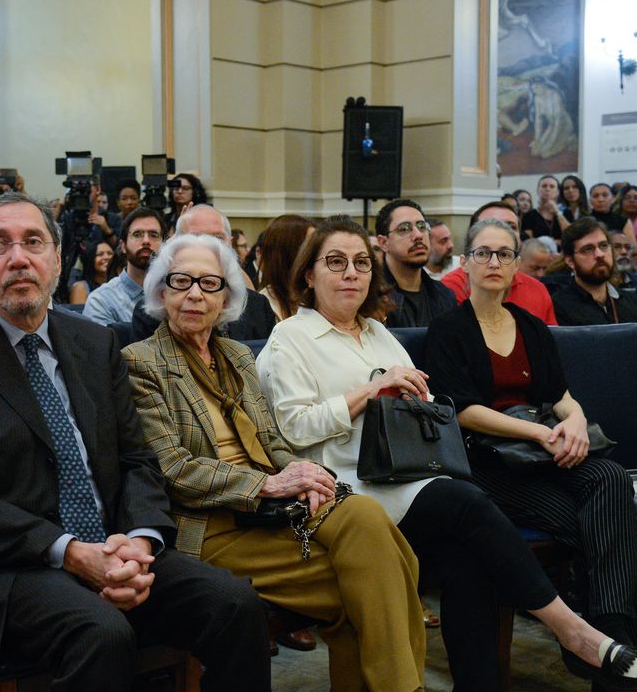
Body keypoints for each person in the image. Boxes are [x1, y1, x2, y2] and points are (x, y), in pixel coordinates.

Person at [257, 216, 637, 692]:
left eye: (360, 263)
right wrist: (370, 392)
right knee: (466, 501)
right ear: (309, 274)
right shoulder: (291, 338)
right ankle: (574, 631)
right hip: (347, 486)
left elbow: (429, 406)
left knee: (468, 559)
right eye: (335, 262)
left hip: (407, 471)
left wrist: (405, 397)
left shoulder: (375, 332)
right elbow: (293, 429)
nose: (351, 272)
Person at [0, 193, 270, 692]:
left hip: (116, 546)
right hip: (5, 571)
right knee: (102, 633)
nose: (18, 258)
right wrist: (71, 552)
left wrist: (139, 544)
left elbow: (138, 460)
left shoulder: (94, 344)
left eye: (33, 242)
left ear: (56, 258)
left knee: (235, 604)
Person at [124, 232, 425, 692]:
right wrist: (266, 485)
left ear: (226, 296)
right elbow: (173, 468)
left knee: (366, 525)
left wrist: (302, 473)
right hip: (212, 524)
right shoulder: (140, 362)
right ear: (161, 291)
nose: (194, 294)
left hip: (275, 512)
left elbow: (272, 441)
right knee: (378, 580)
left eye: (209, 283)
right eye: (181, 281)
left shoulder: (237, 354)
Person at [424, 218, 637, 689]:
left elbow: (560, 394)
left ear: (518, 265)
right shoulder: (448, 329)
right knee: (593, 520)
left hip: (542, 451)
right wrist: (538, 434)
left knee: (611, 478)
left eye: (504, 254)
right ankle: (608, 649)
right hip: (487, 462)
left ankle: (609, 635)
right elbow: (463, 411)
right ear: (466, 263)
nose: (493, 262)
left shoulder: (532, 326)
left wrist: (574, 420)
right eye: (483, 253)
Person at [130, 206, 277, 344]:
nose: (208, 246)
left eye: (217, 238)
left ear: (230, 244)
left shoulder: (258, 307)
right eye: (196, 237)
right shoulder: (150, 312)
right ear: (174, 243)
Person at [442, 201, 558, 324]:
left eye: (511, 227)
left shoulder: (537, 290)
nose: (501, 233)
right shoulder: (448, 290)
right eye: (490, 225)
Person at [551, 218, 637, 325]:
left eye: (604, 246)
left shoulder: (635, 302)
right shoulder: (558, 306)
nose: (600, 254)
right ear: (570, 261)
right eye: (588, 249)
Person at [375, 200, 456, 327]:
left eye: (422, 227)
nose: (418, 235)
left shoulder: (445, 296)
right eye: (404, 229)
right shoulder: (372, 297)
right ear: (384, 243)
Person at [83, 208, 165, 326]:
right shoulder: (101, 300)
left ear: (165, 245)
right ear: (123, 246)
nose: (146, 241)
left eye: (153, 235)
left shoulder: (176, 292)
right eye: (137, 235)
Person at [257, 214, 314, 320]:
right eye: (310, 247)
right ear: (290, 251)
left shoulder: (312, 295)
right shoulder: (264, 306)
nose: (317, 253)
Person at [522, 175, 568, 240]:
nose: (547, 189)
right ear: (538, 190)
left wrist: (557, 212)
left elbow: (570, 235)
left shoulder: (566, 213)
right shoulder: (529, 216)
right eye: (544, 186)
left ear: (558, 192)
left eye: (552, 186)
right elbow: (529, 241)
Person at [68, 240, 114, 304]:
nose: (106, 257)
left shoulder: (119, 285)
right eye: (100, 254)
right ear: (91, 259)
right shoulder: (80, 287)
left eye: (110, 253)